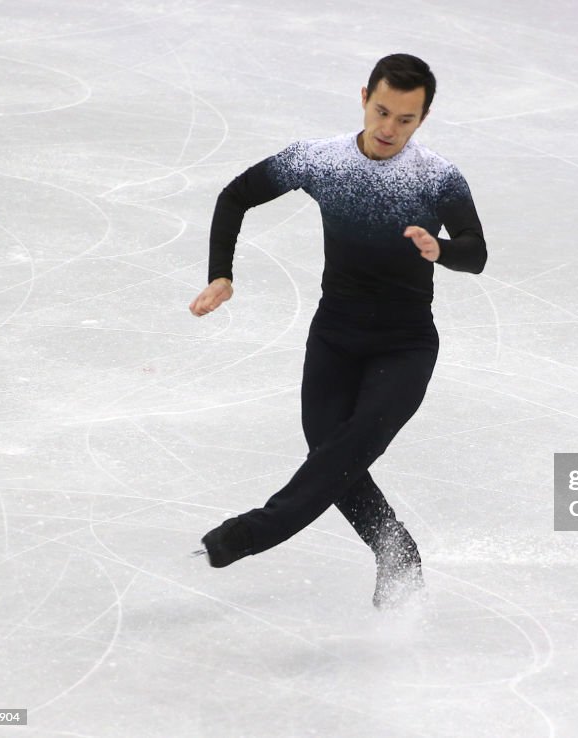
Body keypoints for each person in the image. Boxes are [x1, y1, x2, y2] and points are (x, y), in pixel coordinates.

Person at [189, 53, 487, 609]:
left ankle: (249, 534)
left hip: (404, 347)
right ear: (364, 98)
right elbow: (235, 196)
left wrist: (440, 249)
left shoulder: (436, 176)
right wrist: (221, 275)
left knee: (344, 451)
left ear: (422, 118)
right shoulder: (319, 161)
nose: (389, 129)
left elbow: (477, 253)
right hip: (334, 339)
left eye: (405, 119)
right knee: (332, 454)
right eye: (381, 111)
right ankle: (394, 548)